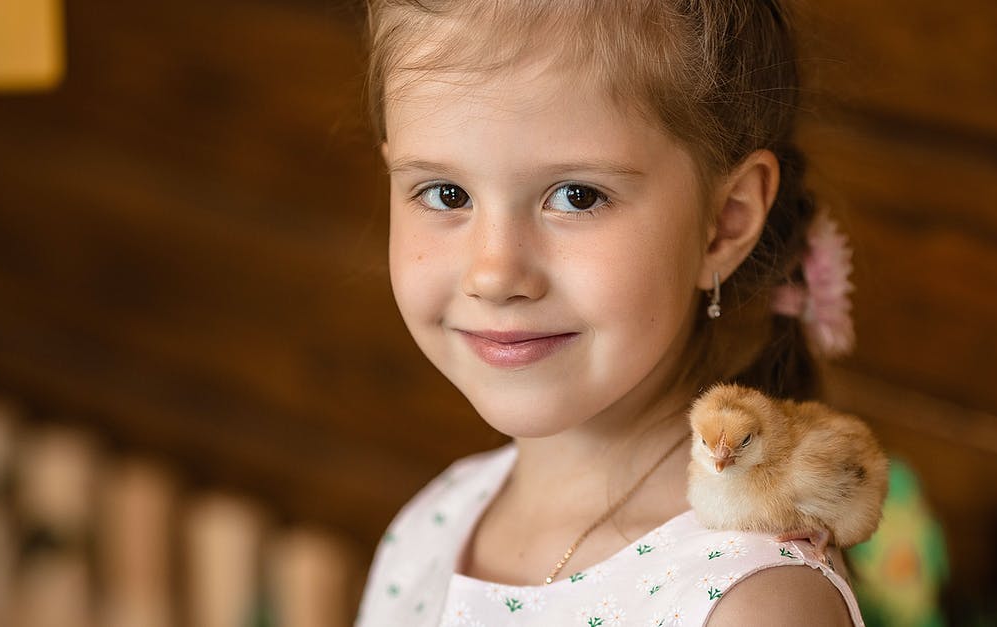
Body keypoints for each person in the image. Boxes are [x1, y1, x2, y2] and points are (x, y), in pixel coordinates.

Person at [356, 1, 864, 625]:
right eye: (445, 193)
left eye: (576, 196)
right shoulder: (434, 524)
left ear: (724, 222)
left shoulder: (751, 602)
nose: (493, 275)